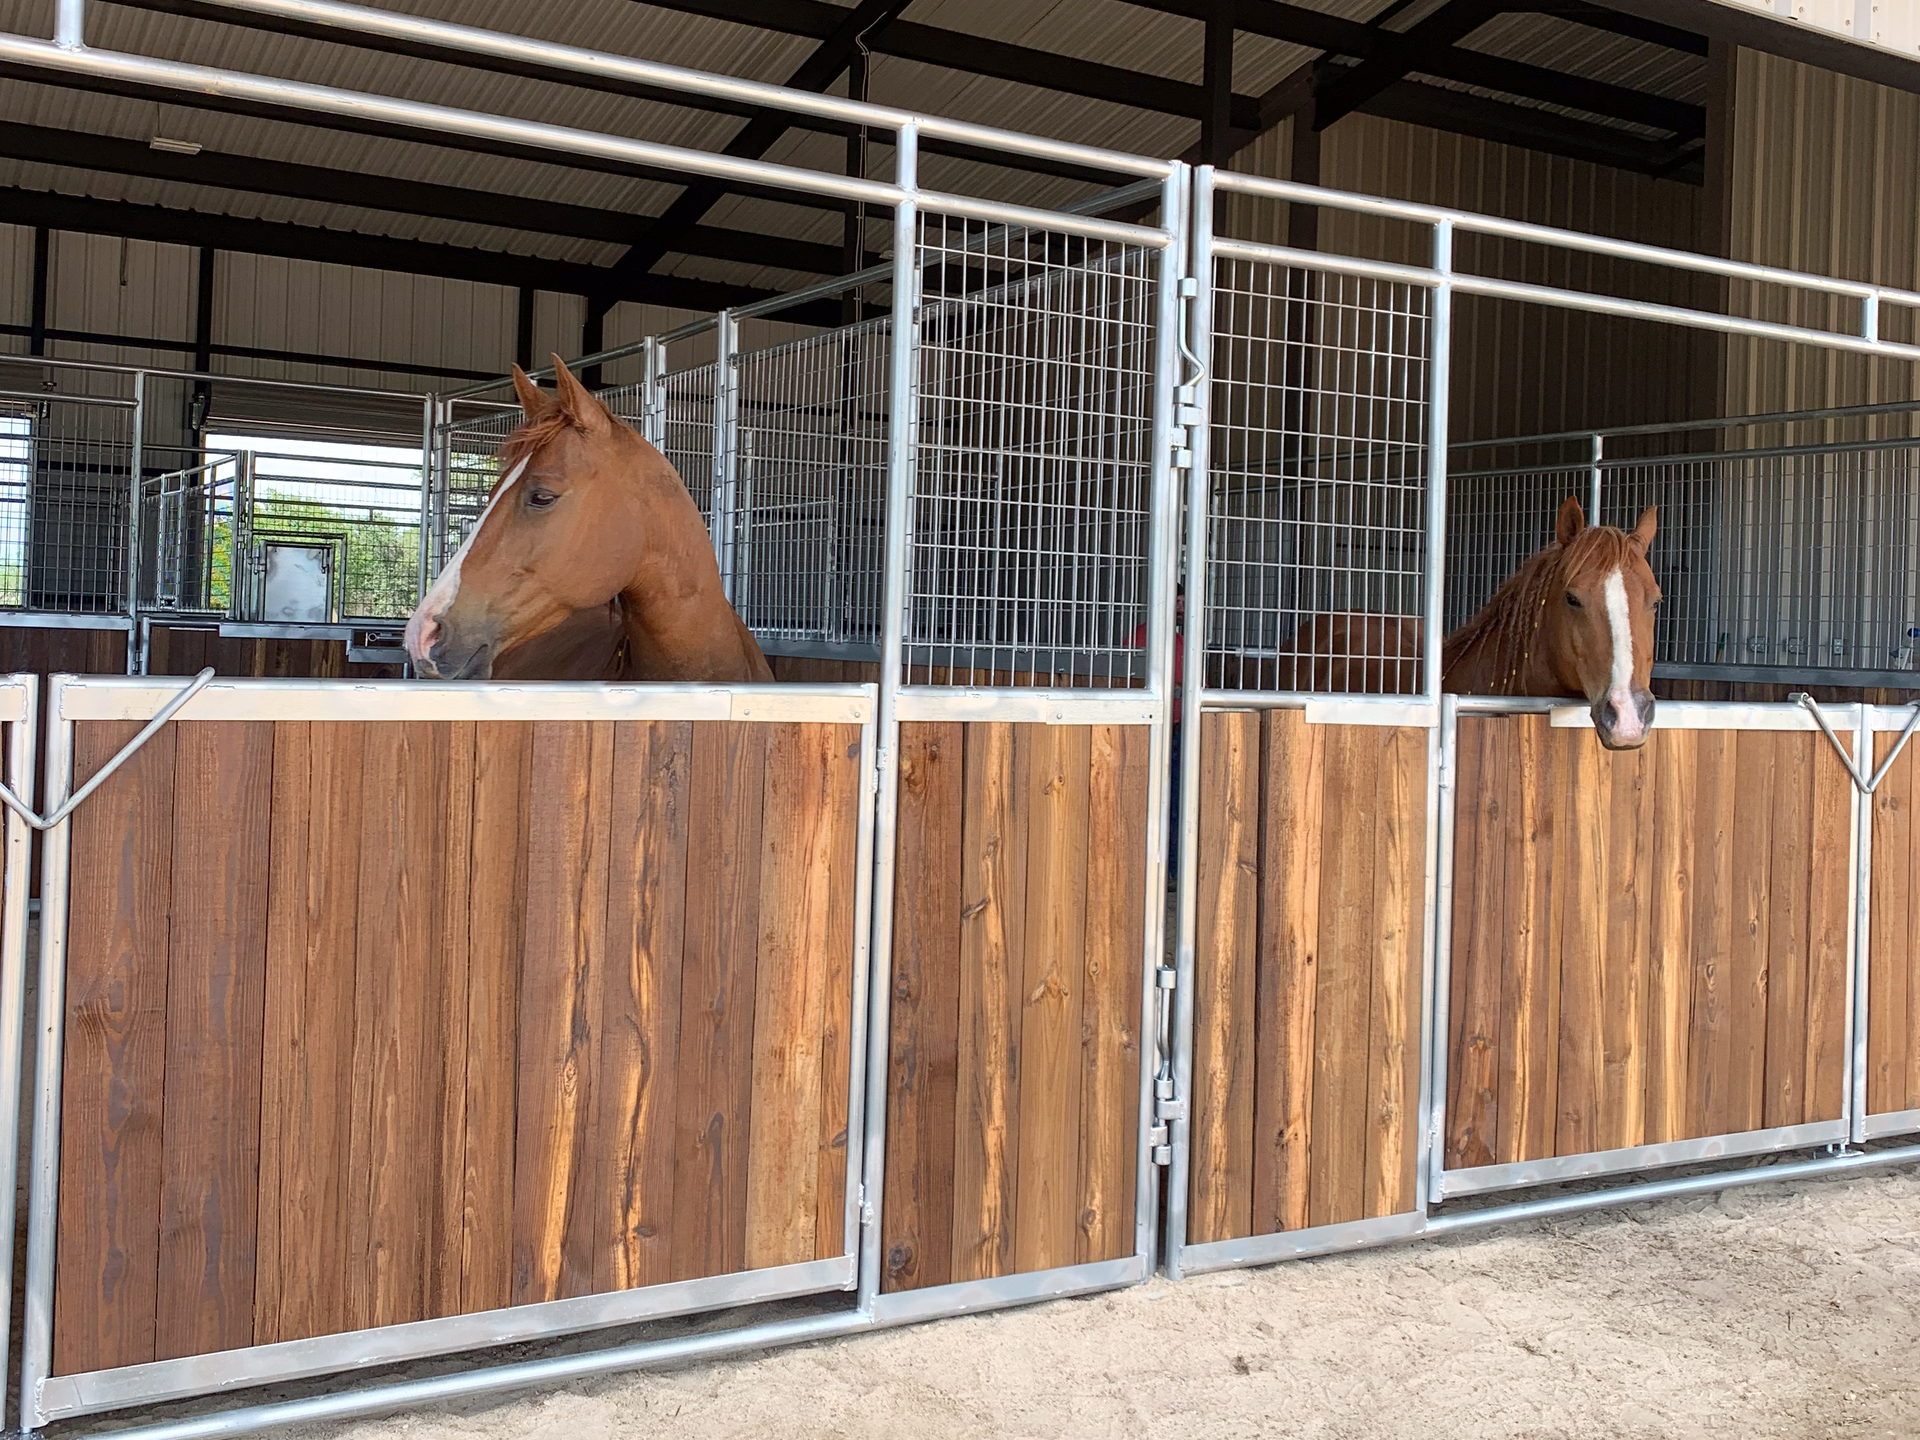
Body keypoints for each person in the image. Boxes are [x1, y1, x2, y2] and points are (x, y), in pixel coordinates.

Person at [1132, 585, 1184, 887]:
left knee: (1172, 798)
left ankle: (1169, 869)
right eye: (1176, 601)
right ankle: (1167, 869)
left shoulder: (1179, 640)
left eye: (1182, 601)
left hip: (1172, 728)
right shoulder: (1143, 639)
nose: (1181, 607)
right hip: (1155, 727)